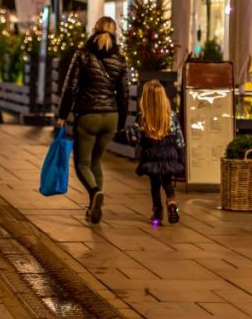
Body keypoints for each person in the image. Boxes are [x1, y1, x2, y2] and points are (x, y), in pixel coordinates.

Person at [56, 16, 129, 225]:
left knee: (82, 164)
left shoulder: (83, 54)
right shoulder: (120, 59)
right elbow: (123, 94)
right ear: (114, 32)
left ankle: (95, 193)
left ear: (95, 30)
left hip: (88, 115)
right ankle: (93, 207)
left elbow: (70, 87)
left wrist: (62, 115)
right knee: (96, 161)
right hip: (111, 117)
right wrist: (121, 123)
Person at [129, 81, 185, 226]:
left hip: (151, 155)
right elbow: (179, 139)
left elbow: (136, 138)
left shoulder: (143, 118)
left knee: (154, 184)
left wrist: (133, 136)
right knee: (167, 181)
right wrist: (181, 157)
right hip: (169, 154)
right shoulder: (171, 117)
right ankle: (172, 201)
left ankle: (157, 211)